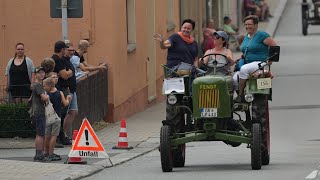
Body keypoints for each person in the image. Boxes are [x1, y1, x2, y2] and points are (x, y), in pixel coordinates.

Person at [233, 15, 277, 102]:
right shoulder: (246, 37)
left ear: (256, 25)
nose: (247, 26)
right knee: (234, 79)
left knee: (244, 69)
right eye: (245, 24)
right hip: (248, 63)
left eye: (249, 24)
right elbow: (247, 50)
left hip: (260, 63)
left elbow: (274, 46)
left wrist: (270, 60)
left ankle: (241, 96)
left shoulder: (261, 35)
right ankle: (244, 97)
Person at [43, 77, 71, 161]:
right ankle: (51, 153)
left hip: (48, 117)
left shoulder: (46, 95)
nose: (43, 87)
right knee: (54, 136)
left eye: (44, 86)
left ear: (50, 86)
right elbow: (65, 104)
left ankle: (46, 152)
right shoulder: (60, 93)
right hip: (57, 117)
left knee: (47, 136)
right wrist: (68, 99)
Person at [52, 40, 73, 146]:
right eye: (65, 49)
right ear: (62, 49)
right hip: (60, 88)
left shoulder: (53, 58)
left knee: (60, 113)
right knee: (61, 113)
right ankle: (59, 137)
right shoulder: (58, 60)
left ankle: (60, 137)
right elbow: (64, 75)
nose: (66, 51)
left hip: (57, 88)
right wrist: (70, 72)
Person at [30, 66, 49, 162]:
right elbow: (44, 98)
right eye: (39, 72)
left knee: (39, 133)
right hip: (39, 111)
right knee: (40, 134)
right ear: (35, 74)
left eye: (43, 72)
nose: (42, 74)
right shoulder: (38, 85)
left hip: (36, 111)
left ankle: (39, 154)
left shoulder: (34, 85)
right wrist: (47, 96)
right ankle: (39, 155)